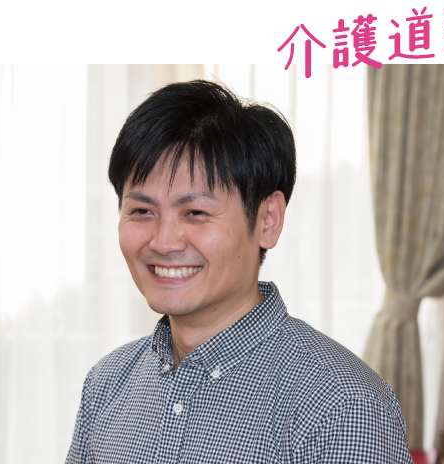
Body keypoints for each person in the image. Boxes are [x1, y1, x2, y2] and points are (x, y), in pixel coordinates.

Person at [65, 80, 412, 463]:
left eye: (195, 212)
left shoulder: (342, 407)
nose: (163, 242)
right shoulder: (106, 385)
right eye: (142, 211)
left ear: (267, 220)